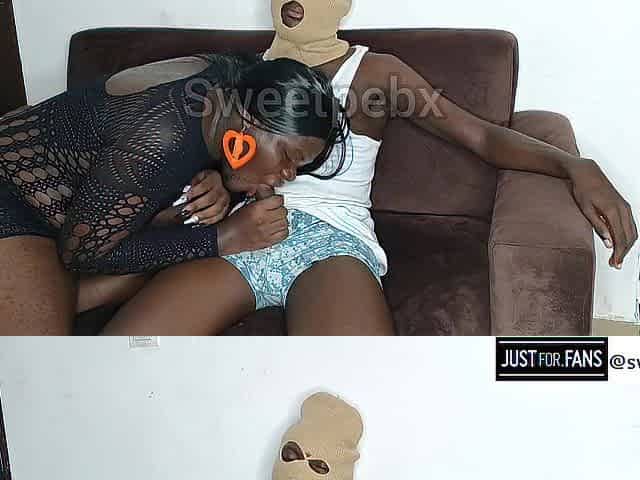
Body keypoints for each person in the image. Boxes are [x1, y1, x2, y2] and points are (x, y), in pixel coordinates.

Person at [105, 0, 637, 336]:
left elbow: (479, 135)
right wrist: (214, 183)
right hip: (241, 235)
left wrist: (575, 165)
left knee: (353, 385)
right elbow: (183, 141)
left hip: (332, 242)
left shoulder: (375, 75)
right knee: (124, 358)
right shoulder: (241, 74)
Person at [0, 53, 348, 334]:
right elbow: (81, 254)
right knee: (34, 367)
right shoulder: (161, 137)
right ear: (248, 121)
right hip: (17, 191)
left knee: (163, 255)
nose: (288, 175)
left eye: (298, 168)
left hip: (76, 209)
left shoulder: (234, 82)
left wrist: (221, 179)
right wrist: (224, 238)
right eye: (288, 157)